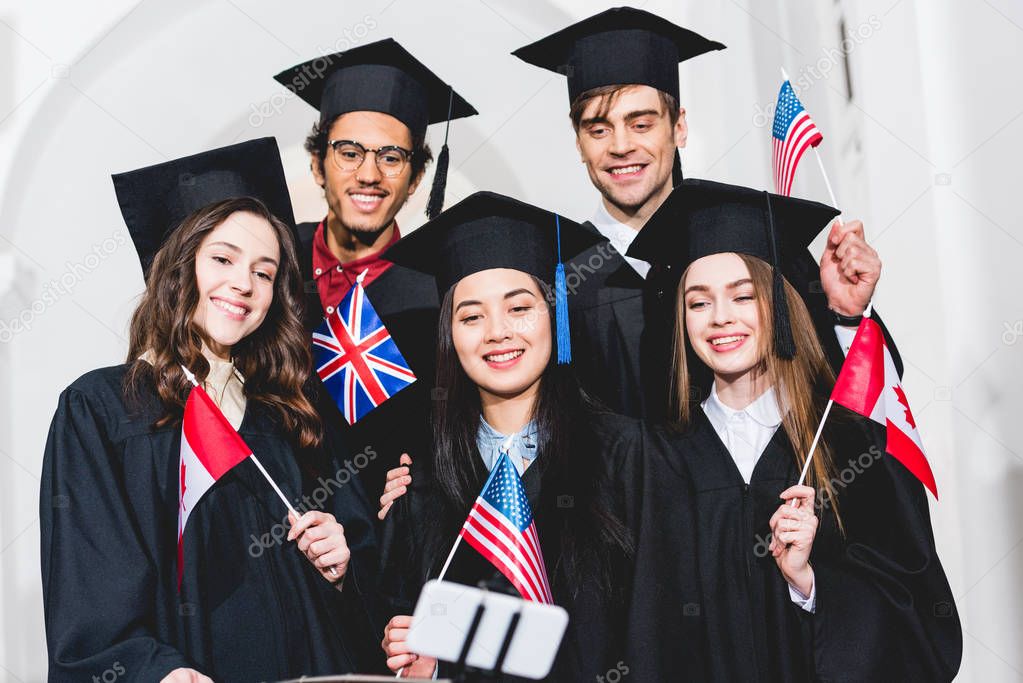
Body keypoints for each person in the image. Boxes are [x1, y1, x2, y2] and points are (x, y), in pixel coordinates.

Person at [39, 138, 383, 682]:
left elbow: (364, 590)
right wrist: (160, 674)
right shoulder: (101, 411)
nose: (243, 284)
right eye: (222, 259)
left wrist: (342, 568)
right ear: (178, 266)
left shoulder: (292, 413)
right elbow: (90, 600)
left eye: (265, 271)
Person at [624, 178, 963, 681]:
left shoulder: (849, 445)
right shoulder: (655, 459)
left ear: (779, 305)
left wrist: (808, 584)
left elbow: (916, 611)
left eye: (743, 297)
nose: (720, 319)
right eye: (698, 302)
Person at [375, 192, 697, 681]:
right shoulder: (420, 485)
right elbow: (402, 625)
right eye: (471, 316)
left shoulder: (629, 456)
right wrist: (429, 669)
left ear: (555, 316)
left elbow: (659, 632)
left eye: (519, 307)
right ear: (449, 336)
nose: (498, 332)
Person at [514, 7, 893, 419]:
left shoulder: (757, 241)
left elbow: (857, 408)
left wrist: (846, 317)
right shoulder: (559, 279)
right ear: (578, 143)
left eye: (641, 124)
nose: (620, 146)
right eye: (599, 129)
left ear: (679, 127)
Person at [273, 38, 477, 499]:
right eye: (349, 152)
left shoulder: (442, 291)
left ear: (416, 179)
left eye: (391, 157)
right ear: (318, 165)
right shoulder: (272, 261)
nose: (369, 174)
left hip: (383, 540)